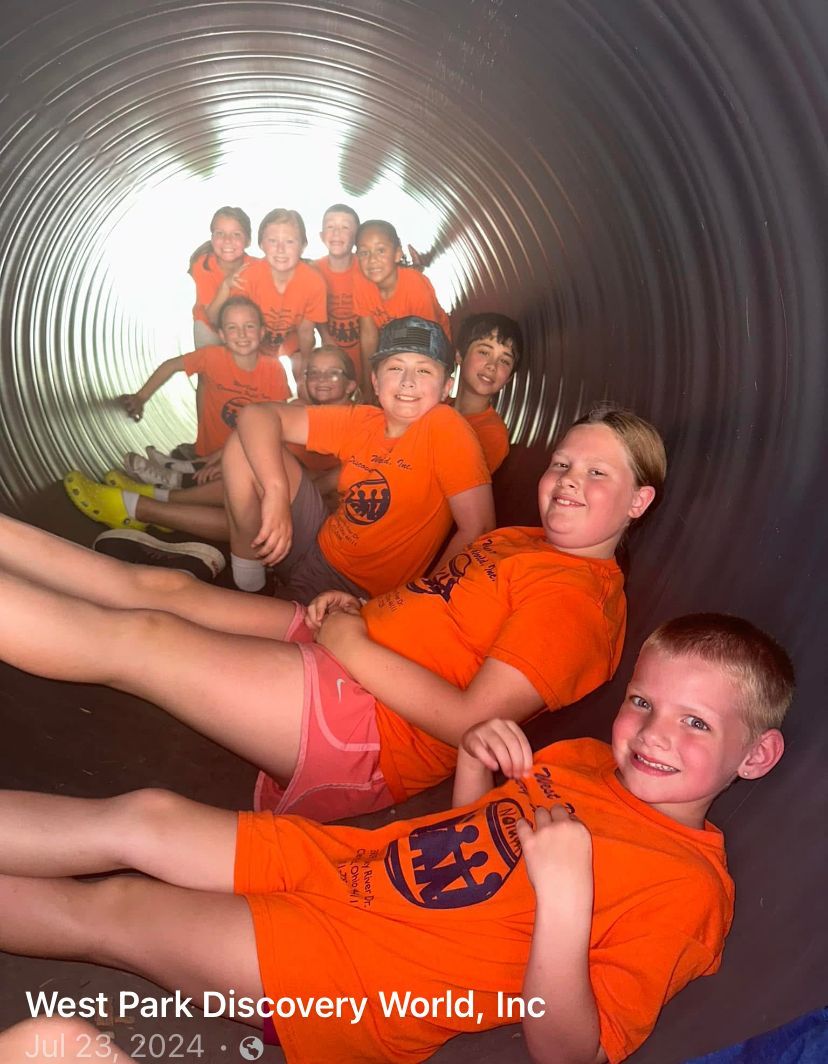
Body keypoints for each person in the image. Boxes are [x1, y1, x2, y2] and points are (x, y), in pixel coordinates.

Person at [0, 615, 793, 1063]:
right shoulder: (586, 761)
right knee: (147, 815)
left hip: (362, 975)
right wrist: (477, 766)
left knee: (120, 910)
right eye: (643, 703)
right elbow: (466, 838)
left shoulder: (685, 889)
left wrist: (566, 898)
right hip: (349, 865)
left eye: (696, 723)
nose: (653, 735)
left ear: (755, 755)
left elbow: (569, 1053)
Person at [1, 404, 663, 823]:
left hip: (374, 725)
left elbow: (469, 723)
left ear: (638, 502)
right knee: (162, 591)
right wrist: (360, 610)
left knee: (143, 640)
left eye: (598, 474)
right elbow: (436, 612)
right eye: (562, 463)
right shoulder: (523, 542)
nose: (569, 479)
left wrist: (350, 641)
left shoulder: (581, 600)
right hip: (355, 641)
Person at [222, 315, 494, 600]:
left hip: (356, 593)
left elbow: (479, 528)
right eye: (395, 368)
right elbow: (256, 414)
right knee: (242, 443)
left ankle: (258, 601)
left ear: (446, 388)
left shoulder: (444, 426)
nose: (408, 382)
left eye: (424, 371)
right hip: (312, 543)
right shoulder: (364, 421)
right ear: (376, 382)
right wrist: (276, 491)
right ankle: (251, 586)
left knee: (253, 636)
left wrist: (412, 604)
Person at [72, 344, 359, 576]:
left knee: (256, 497)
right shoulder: (301, 410)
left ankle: (147, 505)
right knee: (252, 470)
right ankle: (153, 499)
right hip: (290, 500)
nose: (321, 379)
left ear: (350, 386)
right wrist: (223, 459)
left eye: (333, 373)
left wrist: (269, 485)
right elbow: (254, 429)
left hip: (327, 527)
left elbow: (322, 486)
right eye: (314, 372)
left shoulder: (362, 425)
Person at [62, 297, 287, 538]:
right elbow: (171, 366)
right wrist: (141, 397)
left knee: (239, 486)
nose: (242, 334)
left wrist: (230, 457)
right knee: (220, 481)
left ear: (263, 332)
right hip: (209, 451)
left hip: (244, 454)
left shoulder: (273, 371)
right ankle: (176, 477)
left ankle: (169, 482)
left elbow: (275, 423)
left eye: (249, 326)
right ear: (221, 334)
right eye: (232, 327)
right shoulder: (212, 357)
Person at [219, 208, 327, 393]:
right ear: (261, 244)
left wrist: (307, 373)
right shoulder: (248, 276)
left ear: (303, 245)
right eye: (272, 241)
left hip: (290, 343)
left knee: (304, 366)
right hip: (252, 343)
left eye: (290, 241)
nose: (280, 249)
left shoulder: (314, 281)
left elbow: (306, 332)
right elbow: (237, 328)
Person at [352, 219, 451, 364]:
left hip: (432, 346)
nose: (372, 259)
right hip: (394, 344)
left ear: (397, 254)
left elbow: (427, 341)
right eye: (364, 253)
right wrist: (367, 383)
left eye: (380, 250)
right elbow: (368, 336)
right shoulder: (361, 282)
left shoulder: (415, 286)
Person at [451, 311, 523, 473]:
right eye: (484, 352)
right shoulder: (434, 406)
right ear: (460, 355)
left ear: (509, 378)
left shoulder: (492, 434)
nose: (492, 365)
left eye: (504, 361)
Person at [312, 203, 365, 391]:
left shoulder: (366, 268)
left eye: (345, 227)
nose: (336, 233)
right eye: (330, 226)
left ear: (357, 237)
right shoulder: (314, 270)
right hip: (333, 350)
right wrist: (326, 337)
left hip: (366, 351)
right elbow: (313, 310)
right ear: (321, 235)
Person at [188, 206, 256, 348]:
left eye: (236, 234)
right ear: (212, 239)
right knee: (209, 362)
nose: (227, 240)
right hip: (208, 323)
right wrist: (225, 286)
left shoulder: (255, 268)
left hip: (241, 324)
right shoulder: (203, 265)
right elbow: (212, 318)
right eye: (220, 233)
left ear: (248, 241)